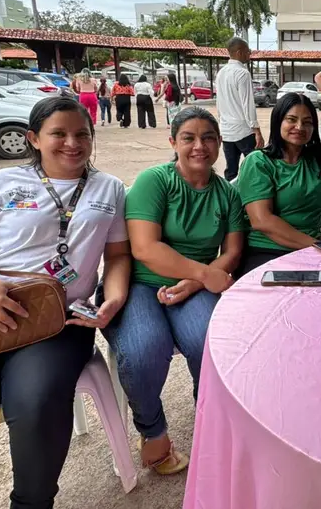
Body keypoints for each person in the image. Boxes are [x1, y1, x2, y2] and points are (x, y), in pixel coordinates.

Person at [0, 97, 130, 509]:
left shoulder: (109, 189)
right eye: (59, 133)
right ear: (34, 138)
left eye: (82, 134)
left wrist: (113, 298)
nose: (72, 143)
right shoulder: (0, 183)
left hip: (58, 323)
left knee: (36, 409)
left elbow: (118, 256)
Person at [102, 107, 242, 475]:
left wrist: (197, 281)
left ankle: (210, 420)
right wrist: (204, 273)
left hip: (194, 286)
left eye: (208, 138)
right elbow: (144, 248)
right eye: (189, 138)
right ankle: (152, 431)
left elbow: (232, 251)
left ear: (220, 143)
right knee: (144, 350)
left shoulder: (227, 193)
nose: (200, 146)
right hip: (141, 283)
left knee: (212, 342)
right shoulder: (155, 181)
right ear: (173, 142)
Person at [235, 93, 321, 274]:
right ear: (278, 122)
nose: (299, 127)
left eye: (307, 122)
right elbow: (262, 220)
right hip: (266, 250)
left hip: (311, 251)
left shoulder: (320, 159)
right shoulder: (259, 162)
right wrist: (320, 246)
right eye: (291, 120)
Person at [215, 37, 263, 182]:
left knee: (231, 170)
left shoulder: (221, 73)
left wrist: (221, 124)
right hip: (243, 131)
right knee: (255, 168)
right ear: (239, 52)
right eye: (248, 51)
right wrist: (257, 131)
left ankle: (230, 194)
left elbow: (219, 103)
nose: (249, 54)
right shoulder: (243, 73)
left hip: (227, 131)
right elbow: (248, 104)